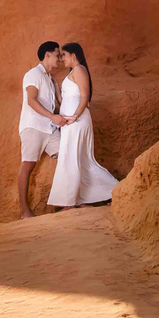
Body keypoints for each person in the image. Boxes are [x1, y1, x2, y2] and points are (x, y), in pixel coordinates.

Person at [47, 42, 119, 209]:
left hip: (77, 121)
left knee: (72, 157)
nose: (61, 58)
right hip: (71, 122)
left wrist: (75, 117)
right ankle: (81, 198)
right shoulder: (73, 72)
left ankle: (71, 201)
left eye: (63, 55)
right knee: (80, 160)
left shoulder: (79, 69)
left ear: (73, 55)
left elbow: (85, 97)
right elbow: (66, 98)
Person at [18, 41, 66, 219]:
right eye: (57, 55)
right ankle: (24, 212)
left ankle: (67, 204)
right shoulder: (33, 74)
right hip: (33, 127)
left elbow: (55, 105)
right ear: (47, 55)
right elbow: (31, 100)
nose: (59, 59)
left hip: (49, 128)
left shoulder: (50, 79)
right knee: (28, 166)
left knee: (66, 157)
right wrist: (52, 116)